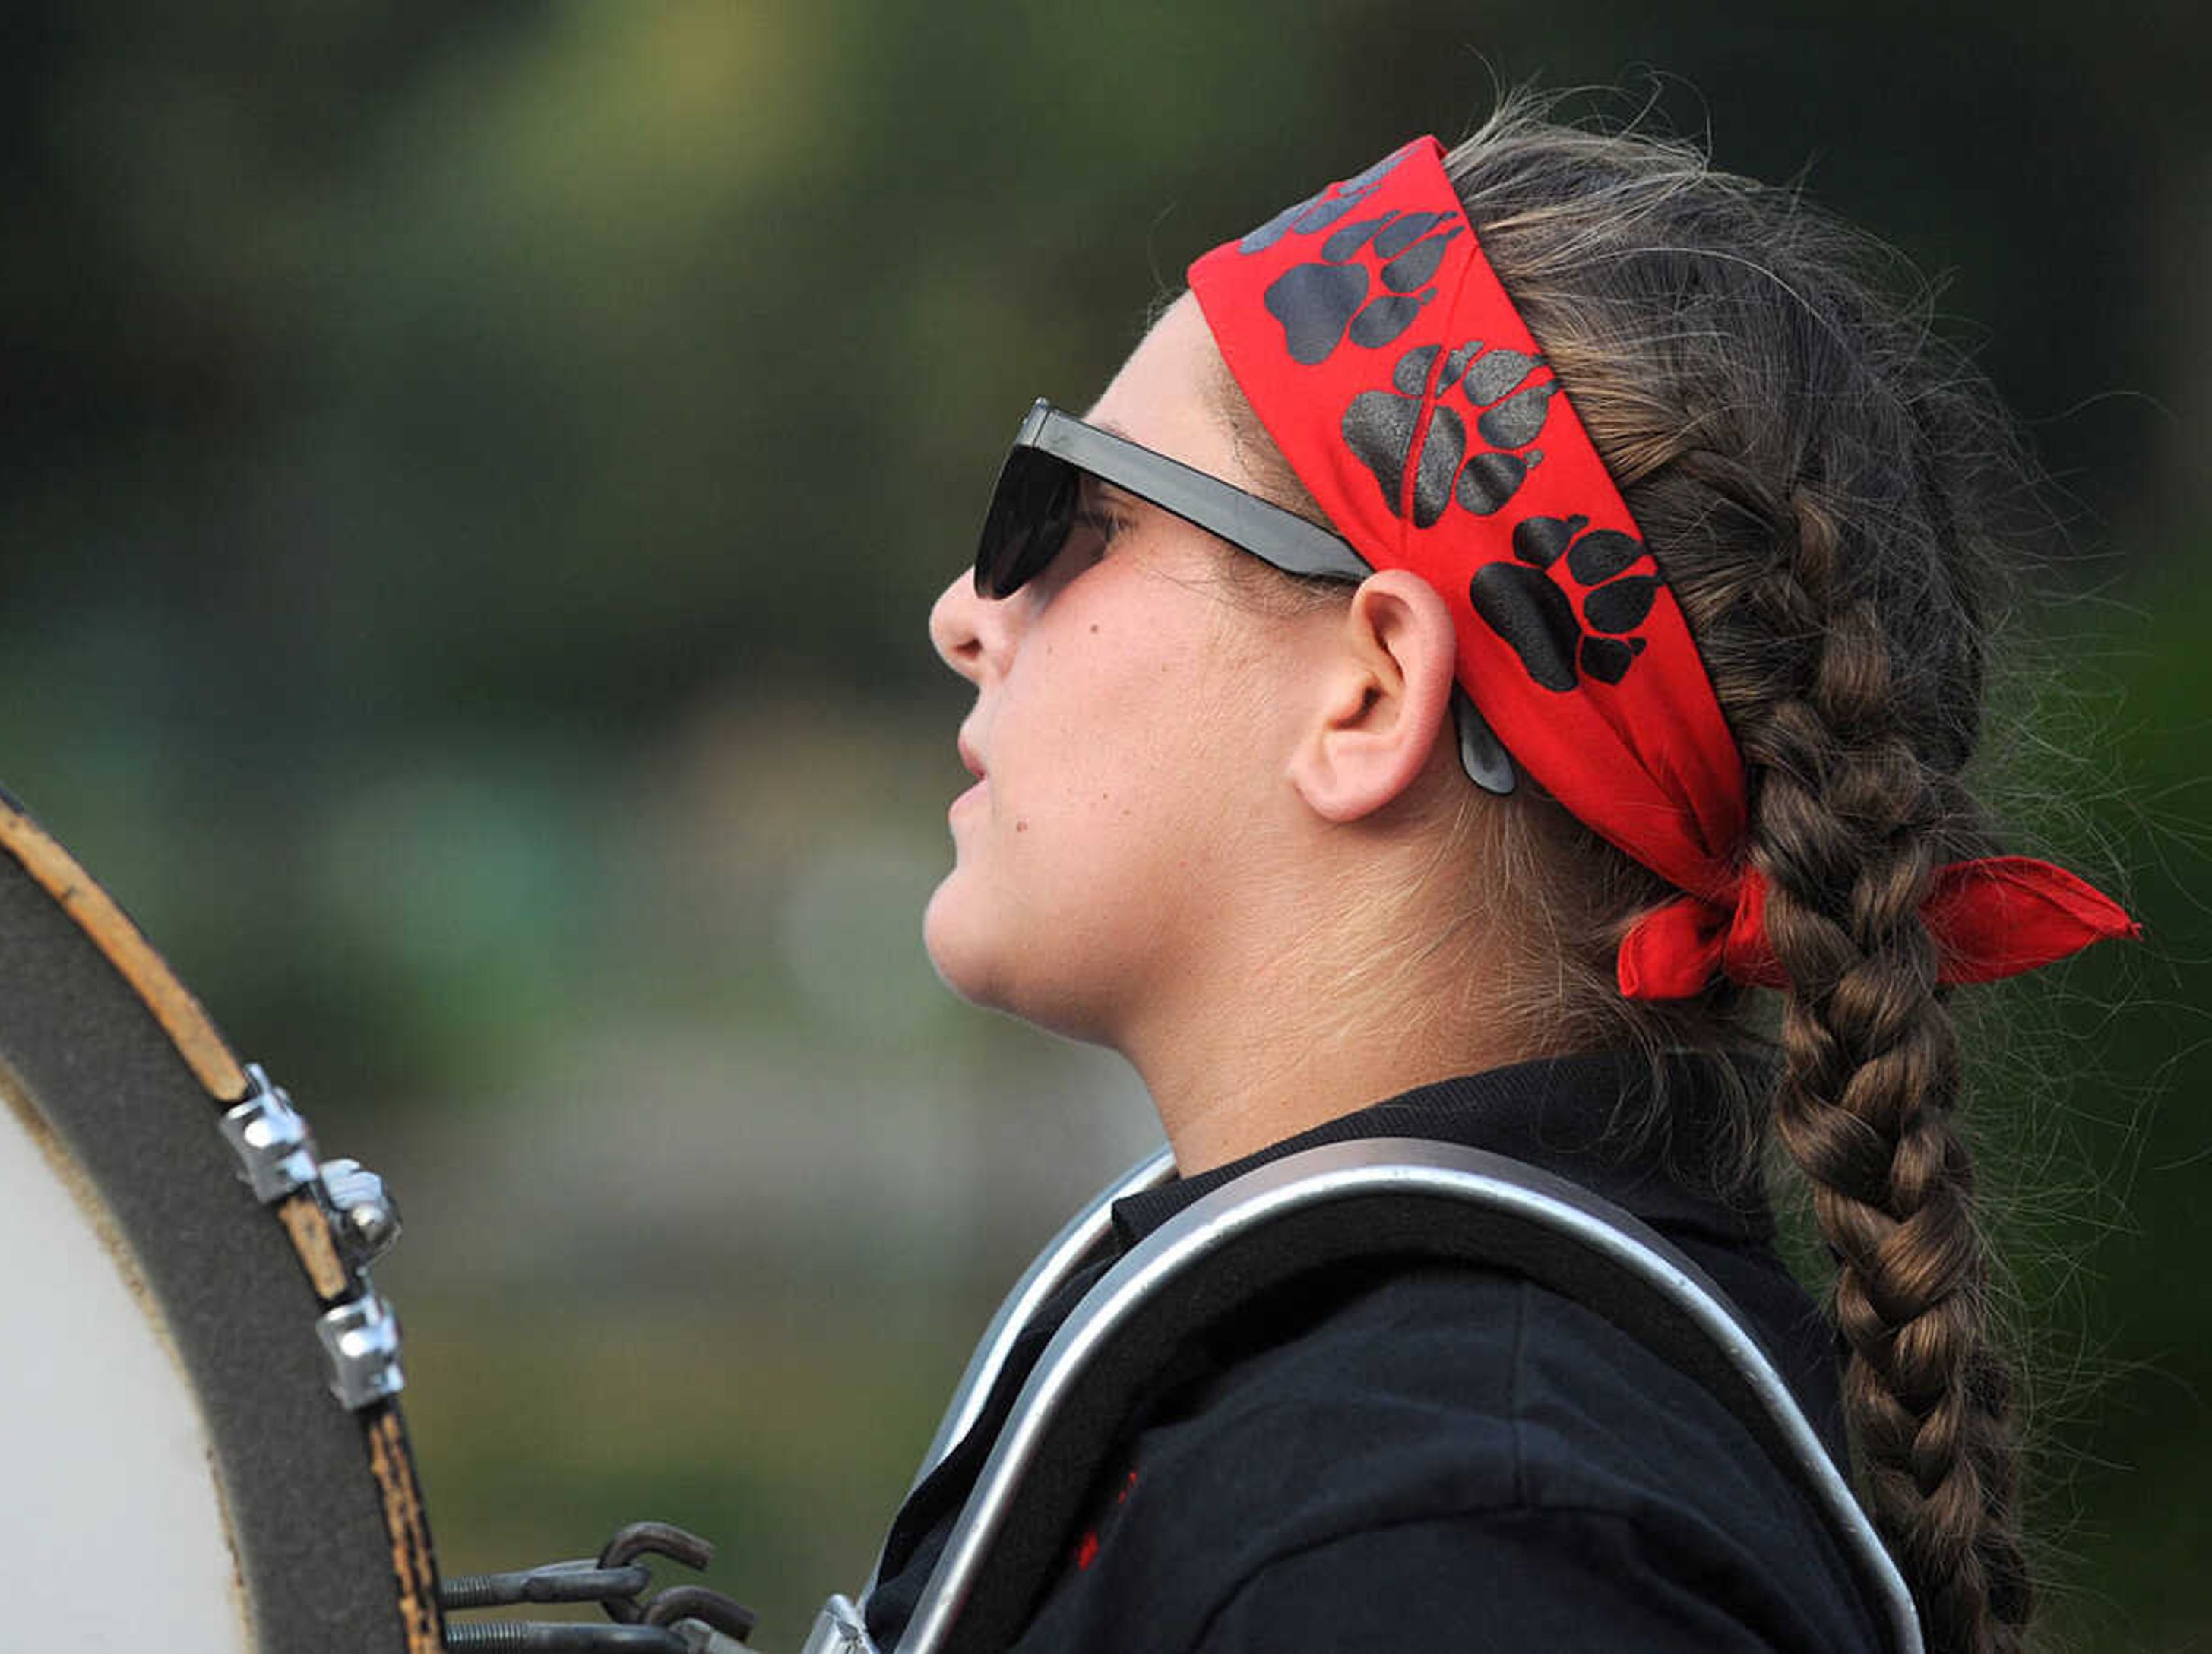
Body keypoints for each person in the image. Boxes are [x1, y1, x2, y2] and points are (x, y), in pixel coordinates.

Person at [867, 102, 2139, 1654]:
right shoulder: (1388, 1439)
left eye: (1074, 514)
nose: (968, 609)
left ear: (1372, 691)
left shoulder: (1447, 1538)